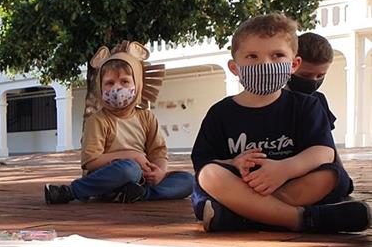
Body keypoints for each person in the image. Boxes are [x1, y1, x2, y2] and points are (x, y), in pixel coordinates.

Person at [190, 13, 368, 233]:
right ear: (235, 67)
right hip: (241, 184)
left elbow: (323, 151)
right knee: (210, 176)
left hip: (292, 182)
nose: (265, 63)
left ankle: (244, 216)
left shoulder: (306, 106)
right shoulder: (220, 113)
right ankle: (301, 219)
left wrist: (283, 169)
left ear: (294, 64)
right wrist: (233, 163)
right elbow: (203, 161)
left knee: (331, 176)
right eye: (252, 56)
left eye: (277, 55)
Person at [44, 41, 193, 204]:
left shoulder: (147, 118)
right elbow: (91, 161)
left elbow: (158, 151)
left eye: (125, 81)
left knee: (188, 180)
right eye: (109, 83)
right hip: (110, 177)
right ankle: (72, 191)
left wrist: (159, 172)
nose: (117, 89)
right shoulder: (98, 120)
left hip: (142, 180)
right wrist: (131, 156)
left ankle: (140, 193)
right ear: (100, 87)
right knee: (130, 169)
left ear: (137, 84)